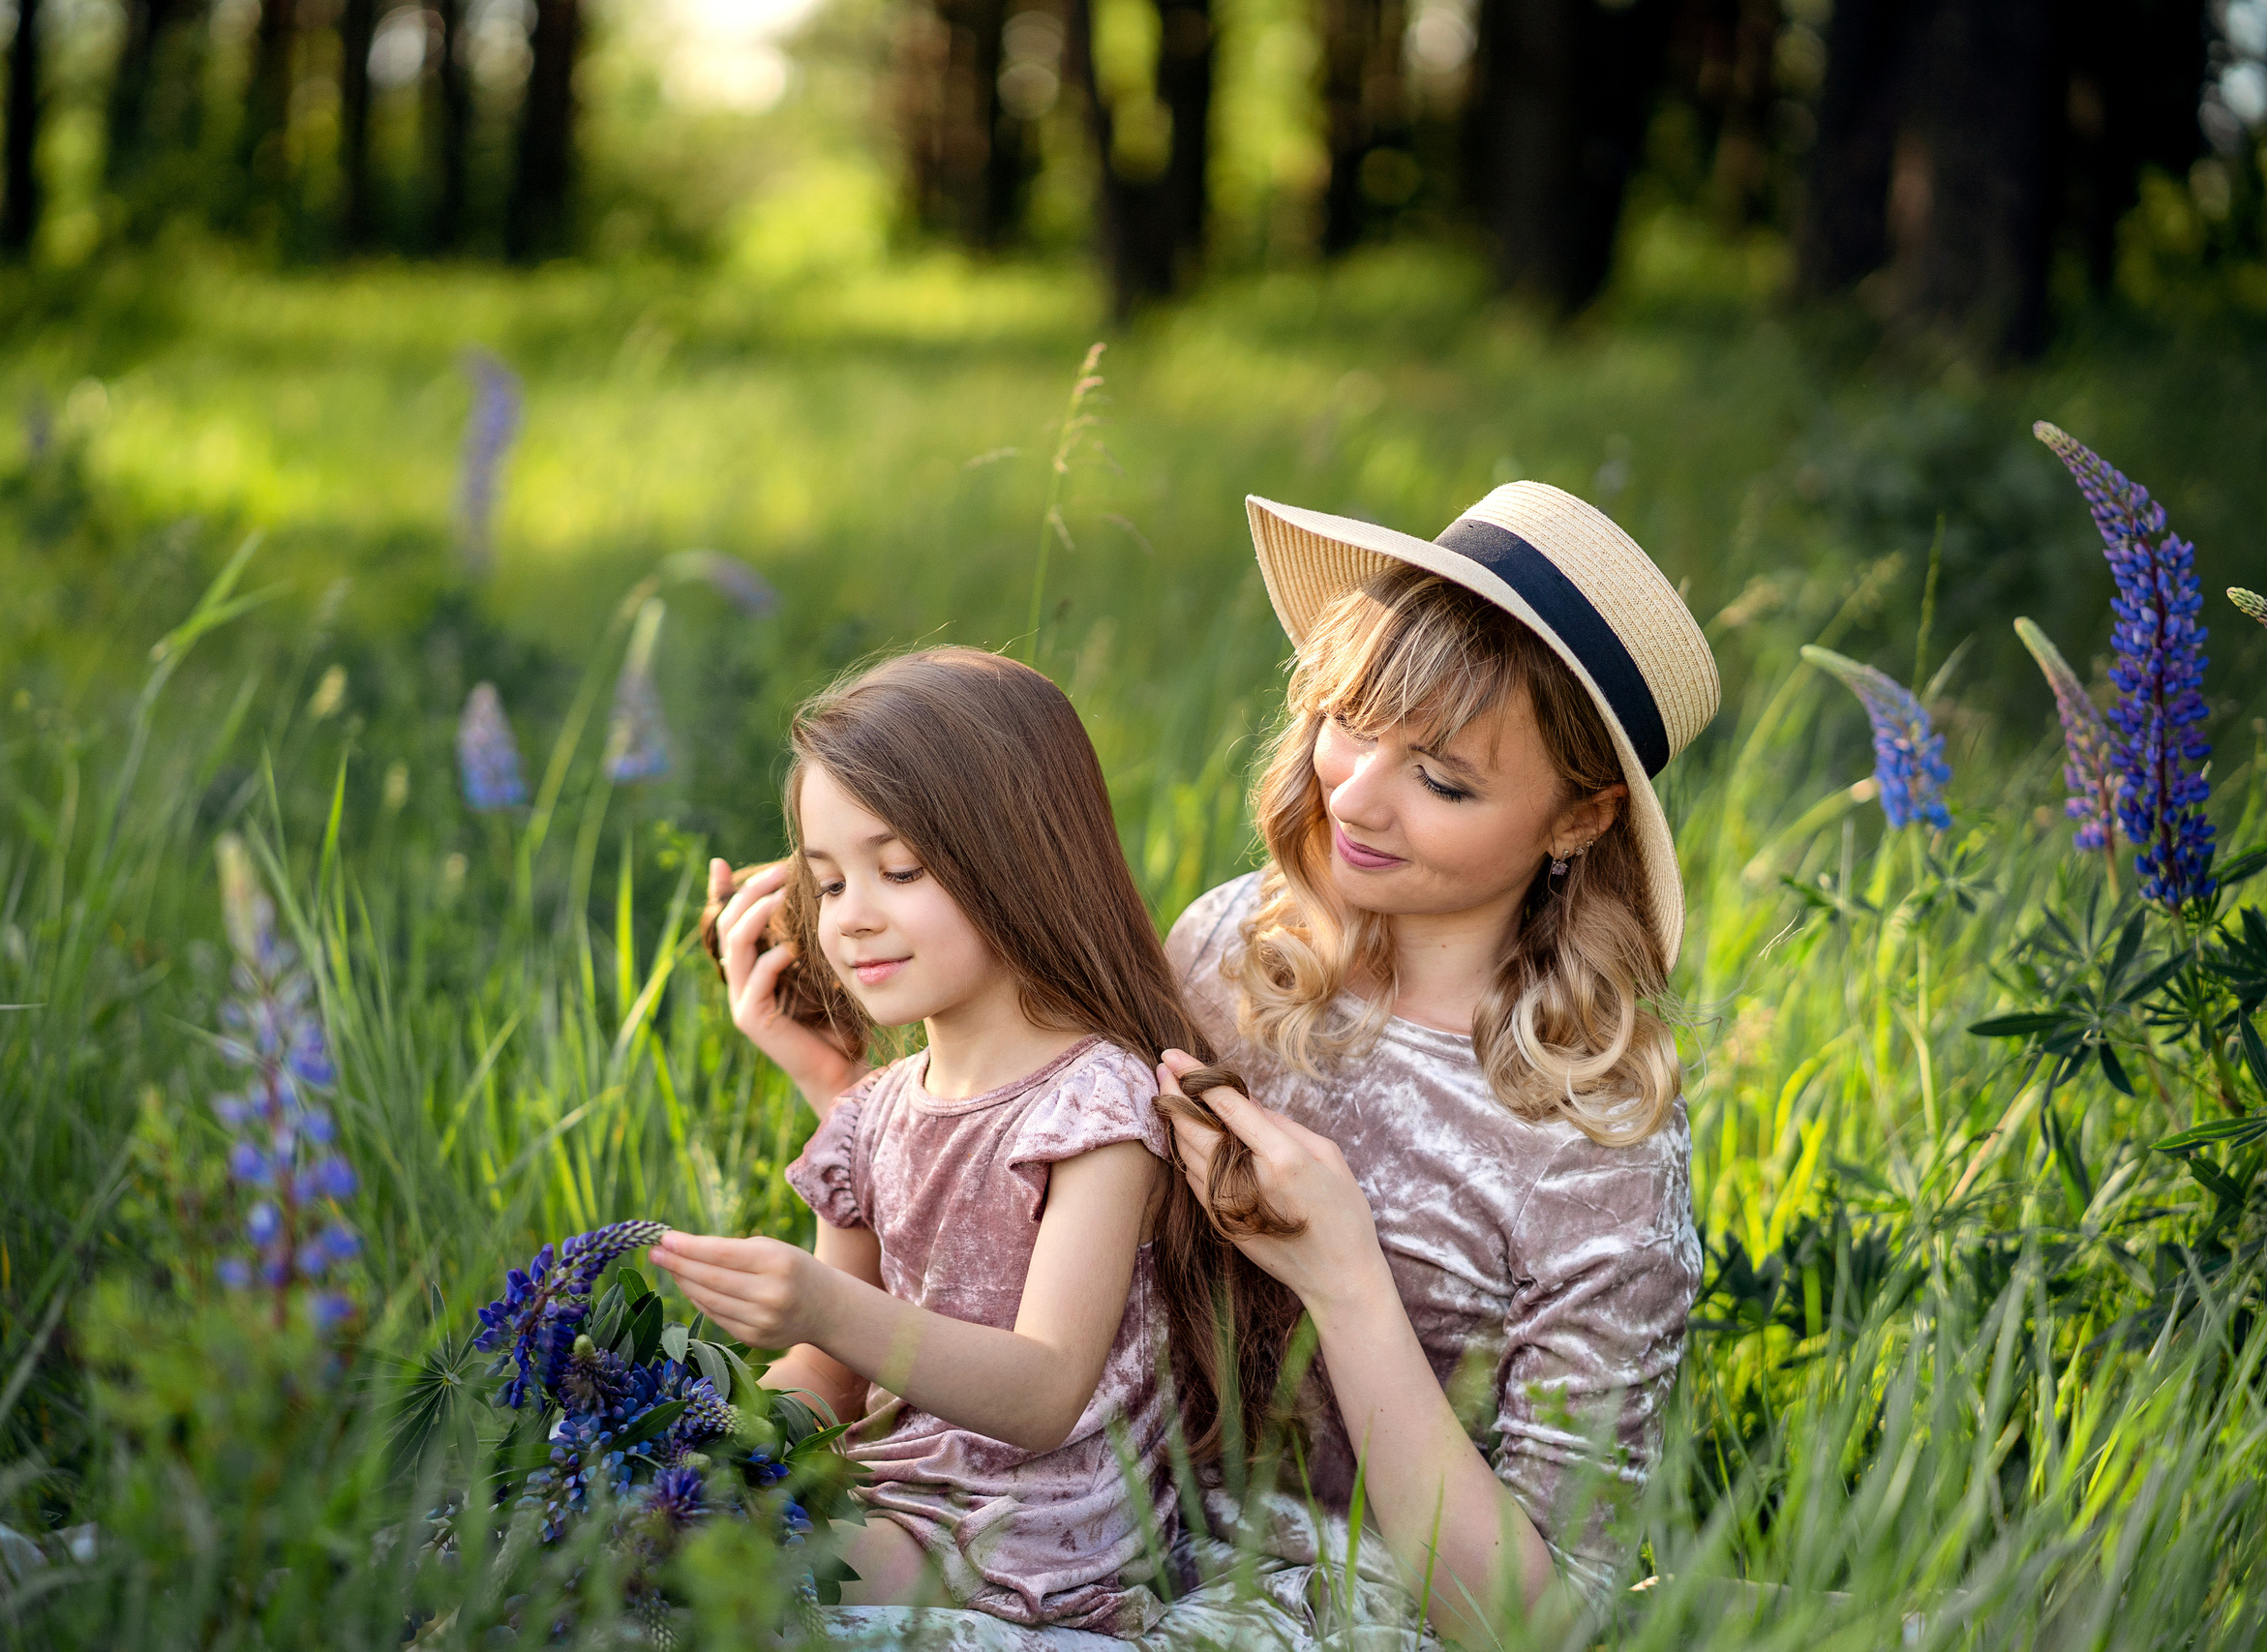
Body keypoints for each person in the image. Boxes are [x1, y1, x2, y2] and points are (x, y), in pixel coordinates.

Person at [1153, 482, 1719, 1643]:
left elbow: (1535, 1619)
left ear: (1577, 821)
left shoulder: (1592, 1145)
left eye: (1443, 778)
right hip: (1109, 1524)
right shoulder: (1227, 952)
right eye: (1348, 724)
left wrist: (1345, 1276)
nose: (1351, 794)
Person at [654, 646, 1285, 1637]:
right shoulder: (873, 1113)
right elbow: (829, 1374)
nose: (853, 919)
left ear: (1016, 859)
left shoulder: (1093, 1105)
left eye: (898, 869)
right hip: (896, 1494)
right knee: (630, 1530)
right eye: (827, 883)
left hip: (1030, 1533)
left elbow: (1042, 1391)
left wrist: (823, 1305)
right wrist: (730, 1441)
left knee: (696, 1590)